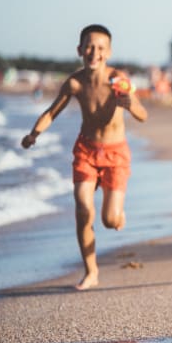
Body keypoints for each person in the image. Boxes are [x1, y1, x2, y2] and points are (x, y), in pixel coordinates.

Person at [21, 24, 148, 290]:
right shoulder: (75, 82)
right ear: (79, 49)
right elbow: (51, 112)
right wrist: (34, 134)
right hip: (86, 151)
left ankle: (117, 215)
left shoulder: (118, 81)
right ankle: (91, 271)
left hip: (115, 153)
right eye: (89, 47)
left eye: (101, 48)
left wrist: (130, 104)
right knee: (82, 210)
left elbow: (142, 114)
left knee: (109, 220)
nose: (94, 52)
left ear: (109, 52)